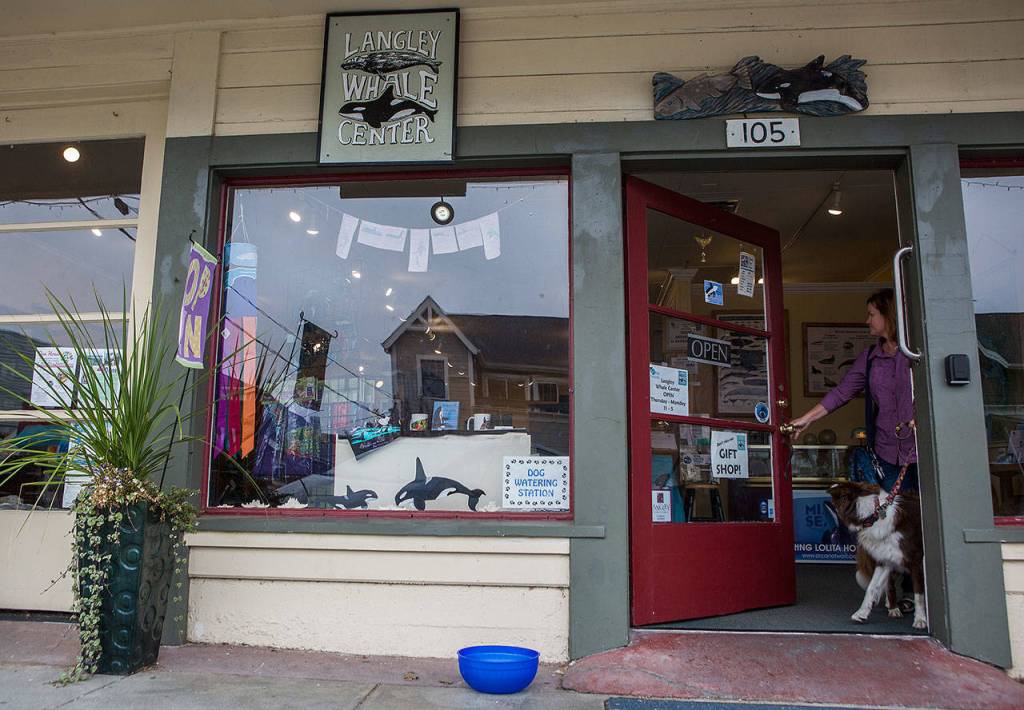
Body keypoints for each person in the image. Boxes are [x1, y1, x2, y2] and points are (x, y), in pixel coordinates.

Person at [789, 288, 918, 492]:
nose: (868, 321)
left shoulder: (916, 352)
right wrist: (807, 418)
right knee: (894, 516)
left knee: (925, 515)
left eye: (872, 315)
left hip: (922, 449)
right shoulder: (870, 357)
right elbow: (842, 392)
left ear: (888, 316)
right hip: (886, 453)